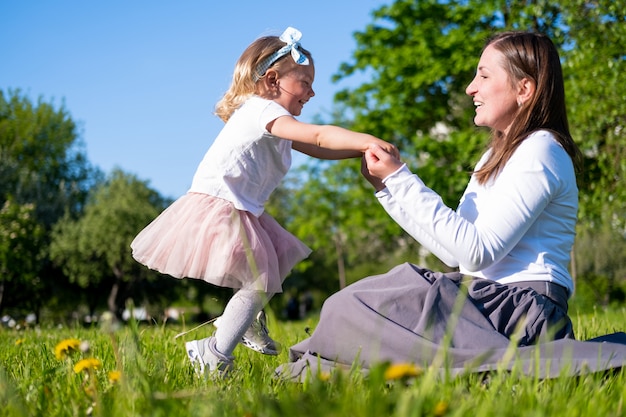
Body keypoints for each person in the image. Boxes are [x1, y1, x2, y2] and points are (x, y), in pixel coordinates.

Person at [276, 31, 626, 380]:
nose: (470, 88)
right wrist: (387, 189)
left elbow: (477, 254)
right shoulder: (497, 154)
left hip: (520, 311)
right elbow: (455, 254)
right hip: (483, 302)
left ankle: (534, 361)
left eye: (484, 75)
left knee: (358, 309)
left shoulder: (542, 149)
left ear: (525, 89)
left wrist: (401, 179)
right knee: (346, 307)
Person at [130, 27, 398, 378]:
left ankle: (241, 323)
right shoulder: (261, 111)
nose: (312, 92)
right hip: (221, 203)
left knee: (268, 272)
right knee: (262, 277)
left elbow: (317, 147)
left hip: (243, 207)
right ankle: (213, 352)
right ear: (273, 81)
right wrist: (368, 139)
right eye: (305, 81)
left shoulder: (277, 124)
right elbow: (317, 135)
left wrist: (360, 151)